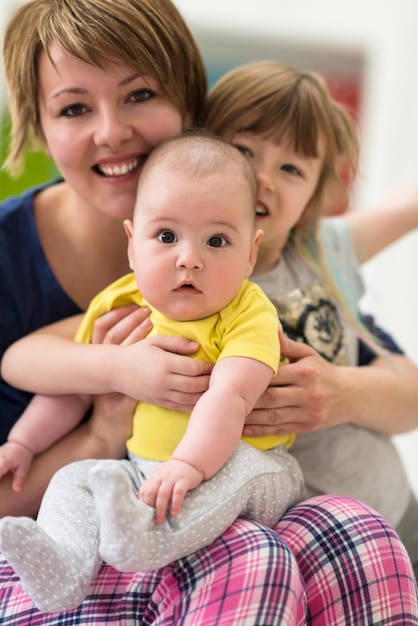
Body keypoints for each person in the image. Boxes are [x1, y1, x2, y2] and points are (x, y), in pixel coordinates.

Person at [0, 1, 416, 623]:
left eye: (139, 94)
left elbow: (400, 384)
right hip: (84, 552)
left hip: (252, 515)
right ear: (35, 121)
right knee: (255, 555)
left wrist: (338, 391)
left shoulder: (265, 269)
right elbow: (31, 362)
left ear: (194, 113)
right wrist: (101, 427)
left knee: (348, 538)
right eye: (74, 107)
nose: (111, 132)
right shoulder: (102, 288)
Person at [0, 132, 305, 612]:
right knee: (74, 479)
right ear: (131, 244)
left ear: (251, 253)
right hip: (146, 474)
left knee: (242, 472)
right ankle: (63, 566)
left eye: (218, 240)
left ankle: (148, 541)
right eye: (166, 237)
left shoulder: (248, 314)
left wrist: (189, 465)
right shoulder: (121, 304)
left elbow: (230, 397)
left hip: (246, 468)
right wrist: (24, 443)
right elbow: (74, 388)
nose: (189, 257)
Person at [203, 59, 418, 575]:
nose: (262, 178)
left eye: (291, 168)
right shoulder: (193, 277)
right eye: (243, 150)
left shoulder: (321, 250)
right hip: (308, 549)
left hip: (398, 512)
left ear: (314, 198)